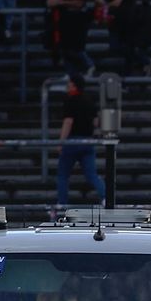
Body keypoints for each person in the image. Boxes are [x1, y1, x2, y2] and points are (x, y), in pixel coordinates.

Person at [56, 73, 106, 209]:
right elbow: (96, 122)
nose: (67, 86)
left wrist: (61, 142)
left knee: (63, 175)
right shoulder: (90, 100)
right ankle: (105, 198)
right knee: (92, 174)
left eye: (70, 84)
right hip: (87, 141)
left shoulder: (70, 100)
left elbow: (68, 122)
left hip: (72, 141)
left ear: (74, 85)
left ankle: (62, 203)